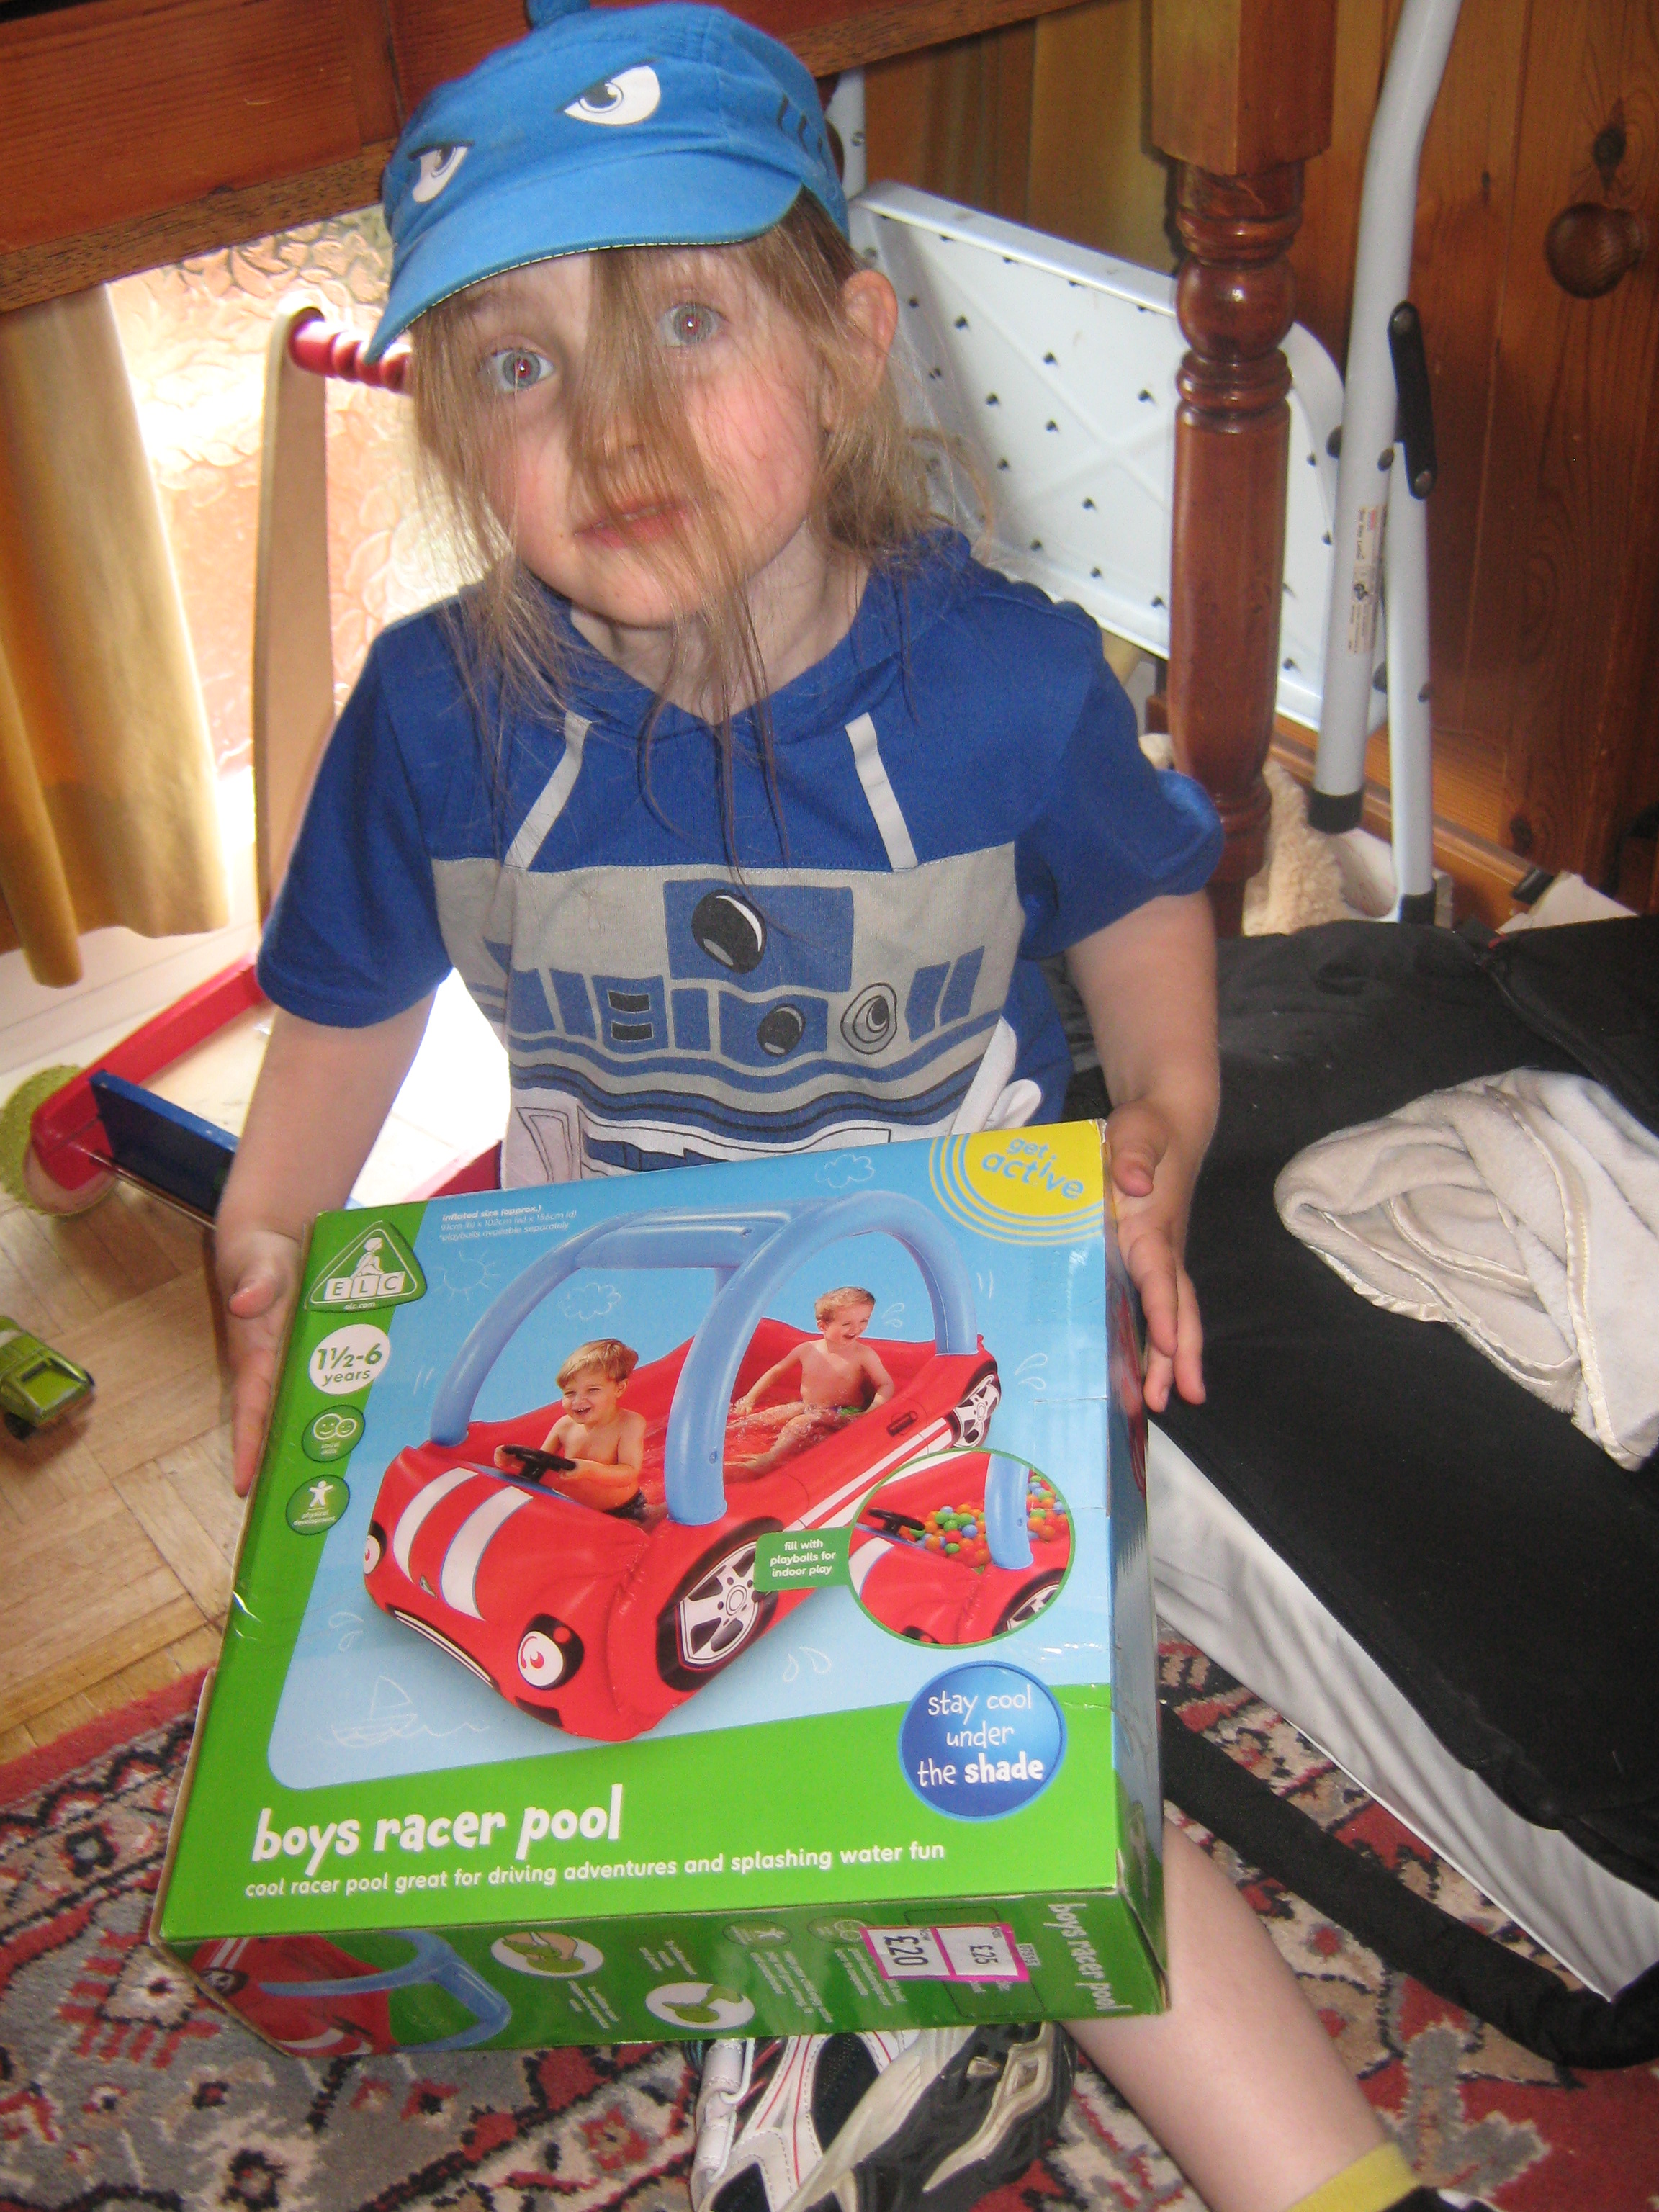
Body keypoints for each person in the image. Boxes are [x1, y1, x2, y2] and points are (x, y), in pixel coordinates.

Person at [212, 6, 1491, 2209]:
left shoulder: (1000, 679)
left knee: (1039, 1781)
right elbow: (337, 1026)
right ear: (451, 424)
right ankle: (863, 1978)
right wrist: (264, 1249)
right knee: (480, 1772)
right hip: (602, 1304)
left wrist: (1166, 1118)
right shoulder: (432, 714)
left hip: (943, 1301)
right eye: (518, 362)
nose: (610, 421)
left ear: (848, 340)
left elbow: (1143, 903)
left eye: (685, 321)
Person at [733, 1285, 893, 1470]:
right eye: (847, 1324)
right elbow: (776, 1372)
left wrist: (870, 1412)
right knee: (766, 1417)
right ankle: (727, 1433)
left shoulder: (864, 1355)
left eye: (864, 1320)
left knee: (799, 1424)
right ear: (822, 1326)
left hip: (843, 1412)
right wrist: (750, 1398)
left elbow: (886, 1384)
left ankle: (769, 1460)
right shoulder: (807, 1350)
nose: (857, 1328)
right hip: (808, 1405)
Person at [495, 1336, 647, 1513]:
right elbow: (540, 1467)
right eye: (570, 1393)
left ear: (619, 1388)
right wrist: (512, 1461)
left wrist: (590, 1470)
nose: (578, 1401)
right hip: (575, 1512)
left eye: (592, 1390)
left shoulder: (629, 1424)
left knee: (653, 1520)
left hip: (623, 1510)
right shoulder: (564, 1426)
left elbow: (629, 1473)